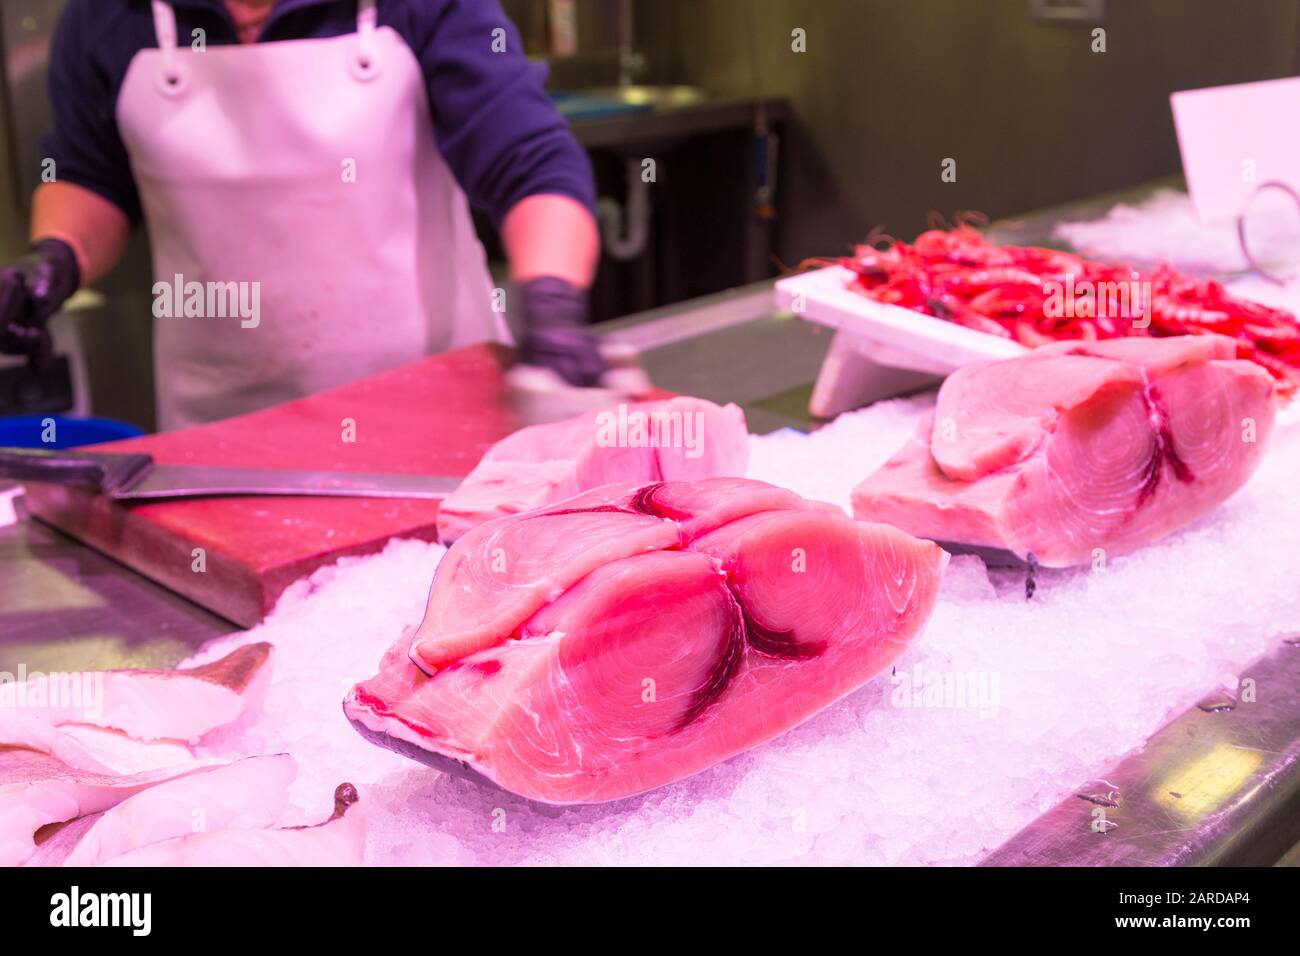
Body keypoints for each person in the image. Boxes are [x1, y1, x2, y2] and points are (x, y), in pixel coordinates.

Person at [0, 0, 605, 429]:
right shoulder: (107, 17)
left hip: (432, 411)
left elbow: (531, 162)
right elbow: (90, 178)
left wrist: (551, 299)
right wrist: (54, 260)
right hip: (222, 431)